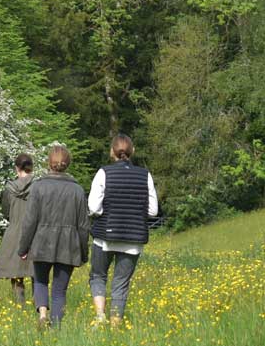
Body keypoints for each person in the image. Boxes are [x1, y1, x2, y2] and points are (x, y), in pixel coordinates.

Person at [88, 133, 158, 328]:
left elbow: (93, 207)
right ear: (132, 151)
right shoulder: (145, 175)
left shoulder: (103, 173)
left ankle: (100, 317)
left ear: (112, 152)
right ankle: (116, 325)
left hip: (105, 237)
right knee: (121, 283)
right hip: (133, 239)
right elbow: (153, 211)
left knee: (98, 276)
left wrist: (106, 211)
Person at [15, 144, 89, 327]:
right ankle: (56, 327)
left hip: (41, 242)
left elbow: (30, 221)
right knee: (59, 290)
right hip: (68, 245)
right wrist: (83, 252)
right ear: (67, 164)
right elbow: (83, 225)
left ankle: (42, 315)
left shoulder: (38, 187)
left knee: (40, 281)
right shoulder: (77, 190)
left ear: (49, 163)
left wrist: (23, 248)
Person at [0, 153, 35, 305]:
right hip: (34, 232)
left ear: (16, 168)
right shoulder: (38, 186)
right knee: (36, 273)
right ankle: (39, 305)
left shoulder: (9, 189)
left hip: (14, 231)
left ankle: (20, 305)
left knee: (16, 272)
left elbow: (6, 212)